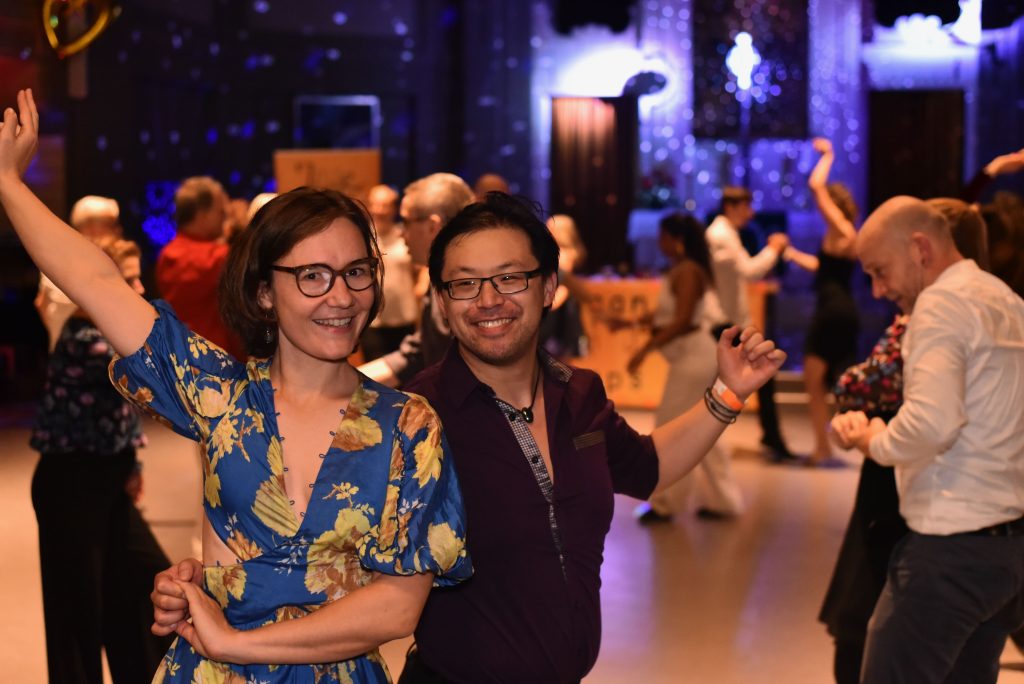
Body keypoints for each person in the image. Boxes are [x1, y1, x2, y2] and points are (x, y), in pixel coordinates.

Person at [0, 89, 470, 683]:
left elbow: (398, 606)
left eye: (355, 272)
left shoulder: (408, 425)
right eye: (312, 275)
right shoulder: (221, 397)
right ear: (264, 292)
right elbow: (96, 281)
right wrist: (10, 184)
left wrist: (236, 643)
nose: (342, 296)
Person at [831, 195, 1024, 684]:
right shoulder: (1005, 298)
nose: (878, 290)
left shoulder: (939, 304)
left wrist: (874, 439)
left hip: (950, 551)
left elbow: (933, 423)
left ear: (920, 248)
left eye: (880, 271)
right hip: (1008, 551)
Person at [30, 236, 174, 684]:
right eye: (128, 279)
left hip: (107, 479)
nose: (139, 287)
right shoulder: (86, 339)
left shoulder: (111, 333)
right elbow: (148, 381)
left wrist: (131, 466)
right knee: (78, 619)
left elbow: (121, 413)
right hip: (70, 484)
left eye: (138, 277)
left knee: (142, 588)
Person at [624, 213, 742, 522]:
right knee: (702, 428)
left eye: (663, 236)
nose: (659, 242)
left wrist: (644, 350)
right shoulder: (683, 269)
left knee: (670, 428)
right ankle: (723, 500)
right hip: (694, 358)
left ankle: (667, 503)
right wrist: (628, 323)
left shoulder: (688, 271)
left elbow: (683, 320)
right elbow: (668, 316)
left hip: (695, 359)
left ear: (677, 240)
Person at [781, 138, 860, 465]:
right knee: (829, 382)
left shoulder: (841, 228)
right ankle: (829, 444)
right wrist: (791, 254)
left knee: (814, 382)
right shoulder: (841, 235)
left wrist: (828, 155)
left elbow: (816, 186)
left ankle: (825, 447)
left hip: (832, 312)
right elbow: (823, 268)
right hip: (841, 310)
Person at [359, 172, 476, 387]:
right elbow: (418, 354)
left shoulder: (472, 286)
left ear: (433, 227)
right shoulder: (441, 276)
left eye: (406, 221)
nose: (401, 233)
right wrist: (345, 384)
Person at [705, 185, 794, 461]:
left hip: (728, 321)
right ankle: (770, 438)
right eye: (746, 207)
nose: (751, 213)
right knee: (758, 373)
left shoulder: (725, 233)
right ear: (731, 207)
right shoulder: (721, 235)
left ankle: (771, 436)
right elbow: (750, 270)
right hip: (724, 322)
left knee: (759, 374)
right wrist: (774, 249)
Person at [156, 175, 243, 358]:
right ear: (202, 215)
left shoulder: (167, 254)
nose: (225, 217)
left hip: (182, 357)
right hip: (216, 361)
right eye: (221, 212)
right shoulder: (214, 258)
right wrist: (242, 225)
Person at [35, 195, 122, 350]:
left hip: (62, 352)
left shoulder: (54, 257)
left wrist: (57, 333)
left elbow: (40, 303)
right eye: (111, 224)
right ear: (91, 228)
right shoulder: (98, 263)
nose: (118, 230)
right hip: (94, 356)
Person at [361, 184, 418, 360]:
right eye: (376, 204)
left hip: (404, 320)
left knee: (407, 372)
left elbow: (423, 267)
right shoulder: (362, 238)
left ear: (394, 208)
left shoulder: (405, 236)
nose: (380, 210)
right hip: (373, 321)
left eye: (385, 205)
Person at [539, 213, 588, 360]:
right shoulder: (551, 251)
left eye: (550, 227)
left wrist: (548, 308)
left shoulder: (564, 255)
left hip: (559, 306)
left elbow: (564, 287)